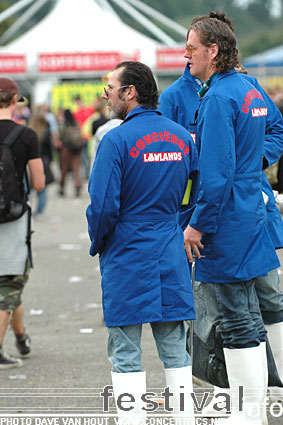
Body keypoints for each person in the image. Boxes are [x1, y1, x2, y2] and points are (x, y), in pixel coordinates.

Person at [158, 11, 283, 413]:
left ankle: (248, 413)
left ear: (213, 50)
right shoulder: (247, 85)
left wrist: (196, 226)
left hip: (228, 216)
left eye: (191, 48)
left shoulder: (216, 97)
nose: (186, 56)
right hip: (251, 209)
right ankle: (256, 408)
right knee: (253, 309)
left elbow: (214, 175)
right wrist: (253, 164)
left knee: (237, 316)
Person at [86, 61, 199, 425]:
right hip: (169, 247)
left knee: (125, 350)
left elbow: (103, 206)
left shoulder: (115, 140)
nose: (106, 93)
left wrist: (99, 242)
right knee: (174, 346)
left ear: (129, 91)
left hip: (127, 251)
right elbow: (195, 193)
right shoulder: (182, 136)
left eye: (110, 86)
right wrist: (180, 226)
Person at [0, 77, 45, 368]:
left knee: (9, 282)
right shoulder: (26, 135)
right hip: (13, 218)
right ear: (16, 100)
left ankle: (20, 335)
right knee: (11, 280)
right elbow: (39, 183)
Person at [29, 106, 54, 216]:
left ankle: (29, 209)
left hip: (30, 161)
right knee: (42, 187)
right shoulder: (45, 130)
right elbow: (49, 147)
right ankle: (39, 211)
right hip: (43, 160)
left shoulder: (28, 131)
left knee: (29, 188)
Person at [57, 109, 82, 197]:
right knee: (76, 169)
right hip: (77, 149)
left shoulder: (63, 125)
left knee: (64, 169)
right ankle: (77, 186)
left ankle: (61, 188)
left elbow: (61, 137)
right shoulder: (76, 124)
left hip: (66, 149)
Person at [73, 95, 95, 180]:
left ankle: (89, 172)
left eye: (79, 102)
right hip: (81, 138)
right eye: (77, 102)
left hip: (89, 138)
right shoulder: (76, 113)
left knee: (90, 156)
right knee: (83, 157)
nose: (78, 104)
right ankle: (86, 173)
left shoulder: (89, 109)